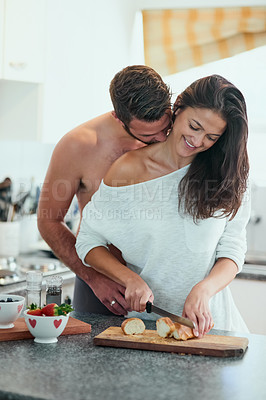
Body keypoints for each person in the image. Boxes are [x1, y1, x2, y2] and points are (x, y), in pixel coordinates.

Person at [75, 74, 251, 337]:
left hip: (212, 328)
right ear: (177, 109)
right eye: (194, 126)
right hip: (148, 328)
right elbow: (87, 240)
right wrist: (129, 279)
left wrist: (204, 290)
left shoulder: (228, 174)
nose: (198, 141)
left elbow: (233, 249)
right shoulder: (128, 170)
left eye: (212, 137)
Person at [37, 65, 172, 315]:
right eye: (149, 137)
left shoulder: (178, 132)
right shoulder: (78, 147)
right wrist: (93, 278)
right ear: (118, 118)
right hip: (105, 289)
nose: (163, 140)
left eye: (166, 128)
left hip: (164, 284)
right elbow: (49, 221)